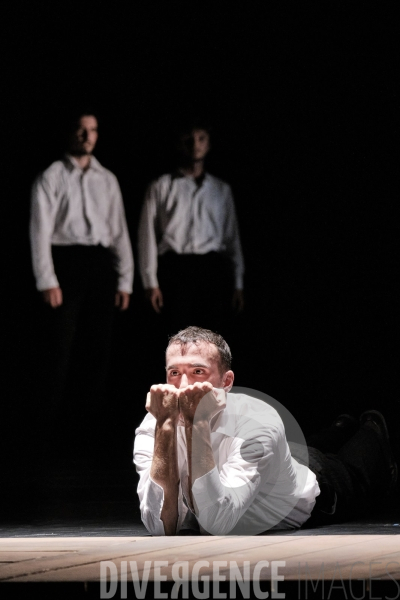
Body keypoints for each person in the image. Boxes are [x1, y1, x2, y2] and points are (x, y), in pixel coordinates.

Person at [133, 326, 397, 536]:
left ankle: (371, 426)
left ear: (226, 382)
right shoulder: (154, 422)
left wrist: (197, 423)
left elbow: (216, 523)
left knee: (355, 472)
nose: (184, 385)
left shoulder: (258, 422)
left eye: (198, 371)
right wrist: (166, 427)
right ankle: (340, 427)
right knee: (307, 444)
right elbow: (158, 526)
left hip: (317, 483)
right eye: (175, 372)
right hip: (268, 458)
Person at [30, 112, 134, 451]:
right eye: (80, 129)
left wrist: (125, 280)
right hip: (67, 263)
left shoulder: (107, 178)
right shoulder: (52, 175)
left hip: (101, 264)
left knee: (98, 347)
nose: (86, 135)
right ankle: (47, 430)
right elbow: (40, 231)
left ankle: (85, 431)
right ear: (70, 132)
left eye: (91, 130)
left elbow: (119, 230)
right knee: (60, 346)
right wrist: (47, 278)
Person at [137, 123, 244, 335]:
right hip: (175, 269)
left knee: (211, 343)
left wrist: (238, 282)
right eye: (189, 139)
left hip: (210, 269)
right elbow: (146, 236)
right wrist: (150, 282)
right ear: (179, 144)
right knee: (177, 339)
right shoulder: (161, 186)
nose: (195, 145)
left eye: (201, 138)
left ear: (209, 144)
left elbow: (232, 238)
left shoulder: (221, 190)